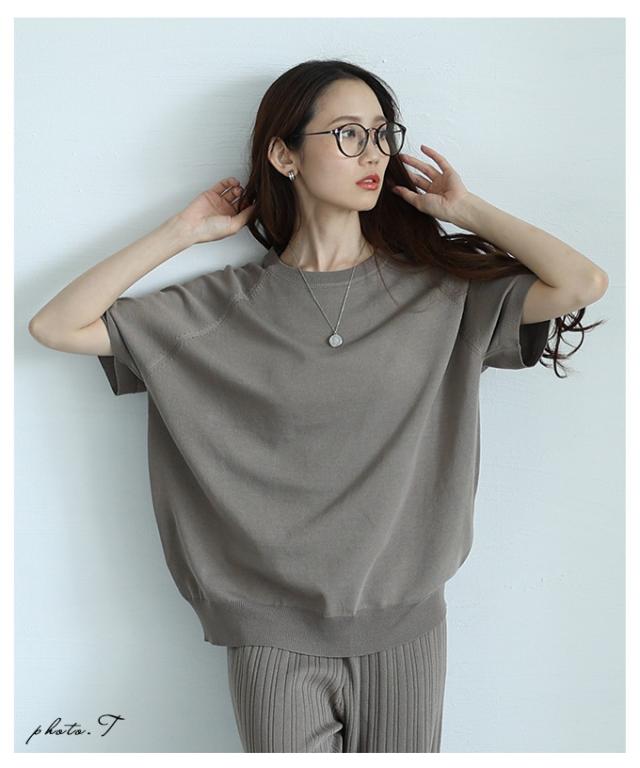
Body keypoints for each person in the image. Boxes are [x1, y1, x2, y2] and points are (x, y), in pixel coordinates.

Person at [28, 59, 608, 753]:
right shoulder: (222, 309)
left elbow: (582, 282)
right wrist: (181, 233)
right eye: (348, 134)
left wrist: (465, 211)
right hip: (270, 635)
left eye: (382, 134)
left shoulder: (439, 295)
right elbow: (55, 326)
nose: (374, 154)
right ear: (284, 155)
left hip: (407, 627)